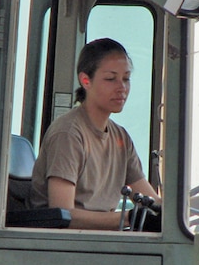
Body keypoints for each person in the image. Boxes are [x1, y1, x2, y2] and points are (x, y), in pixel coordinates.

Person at [29, 38, 160, 230]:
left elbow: (152, 201)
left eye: (126, 78)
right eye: (110, 79)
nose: (121, 87)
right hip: (65, 249)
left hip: (99, 243)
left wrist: (182, 212)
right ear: (85, 81)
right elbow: (62, 214)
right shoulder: (68, 134)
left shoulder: (120, 137)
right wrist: (127, 219)